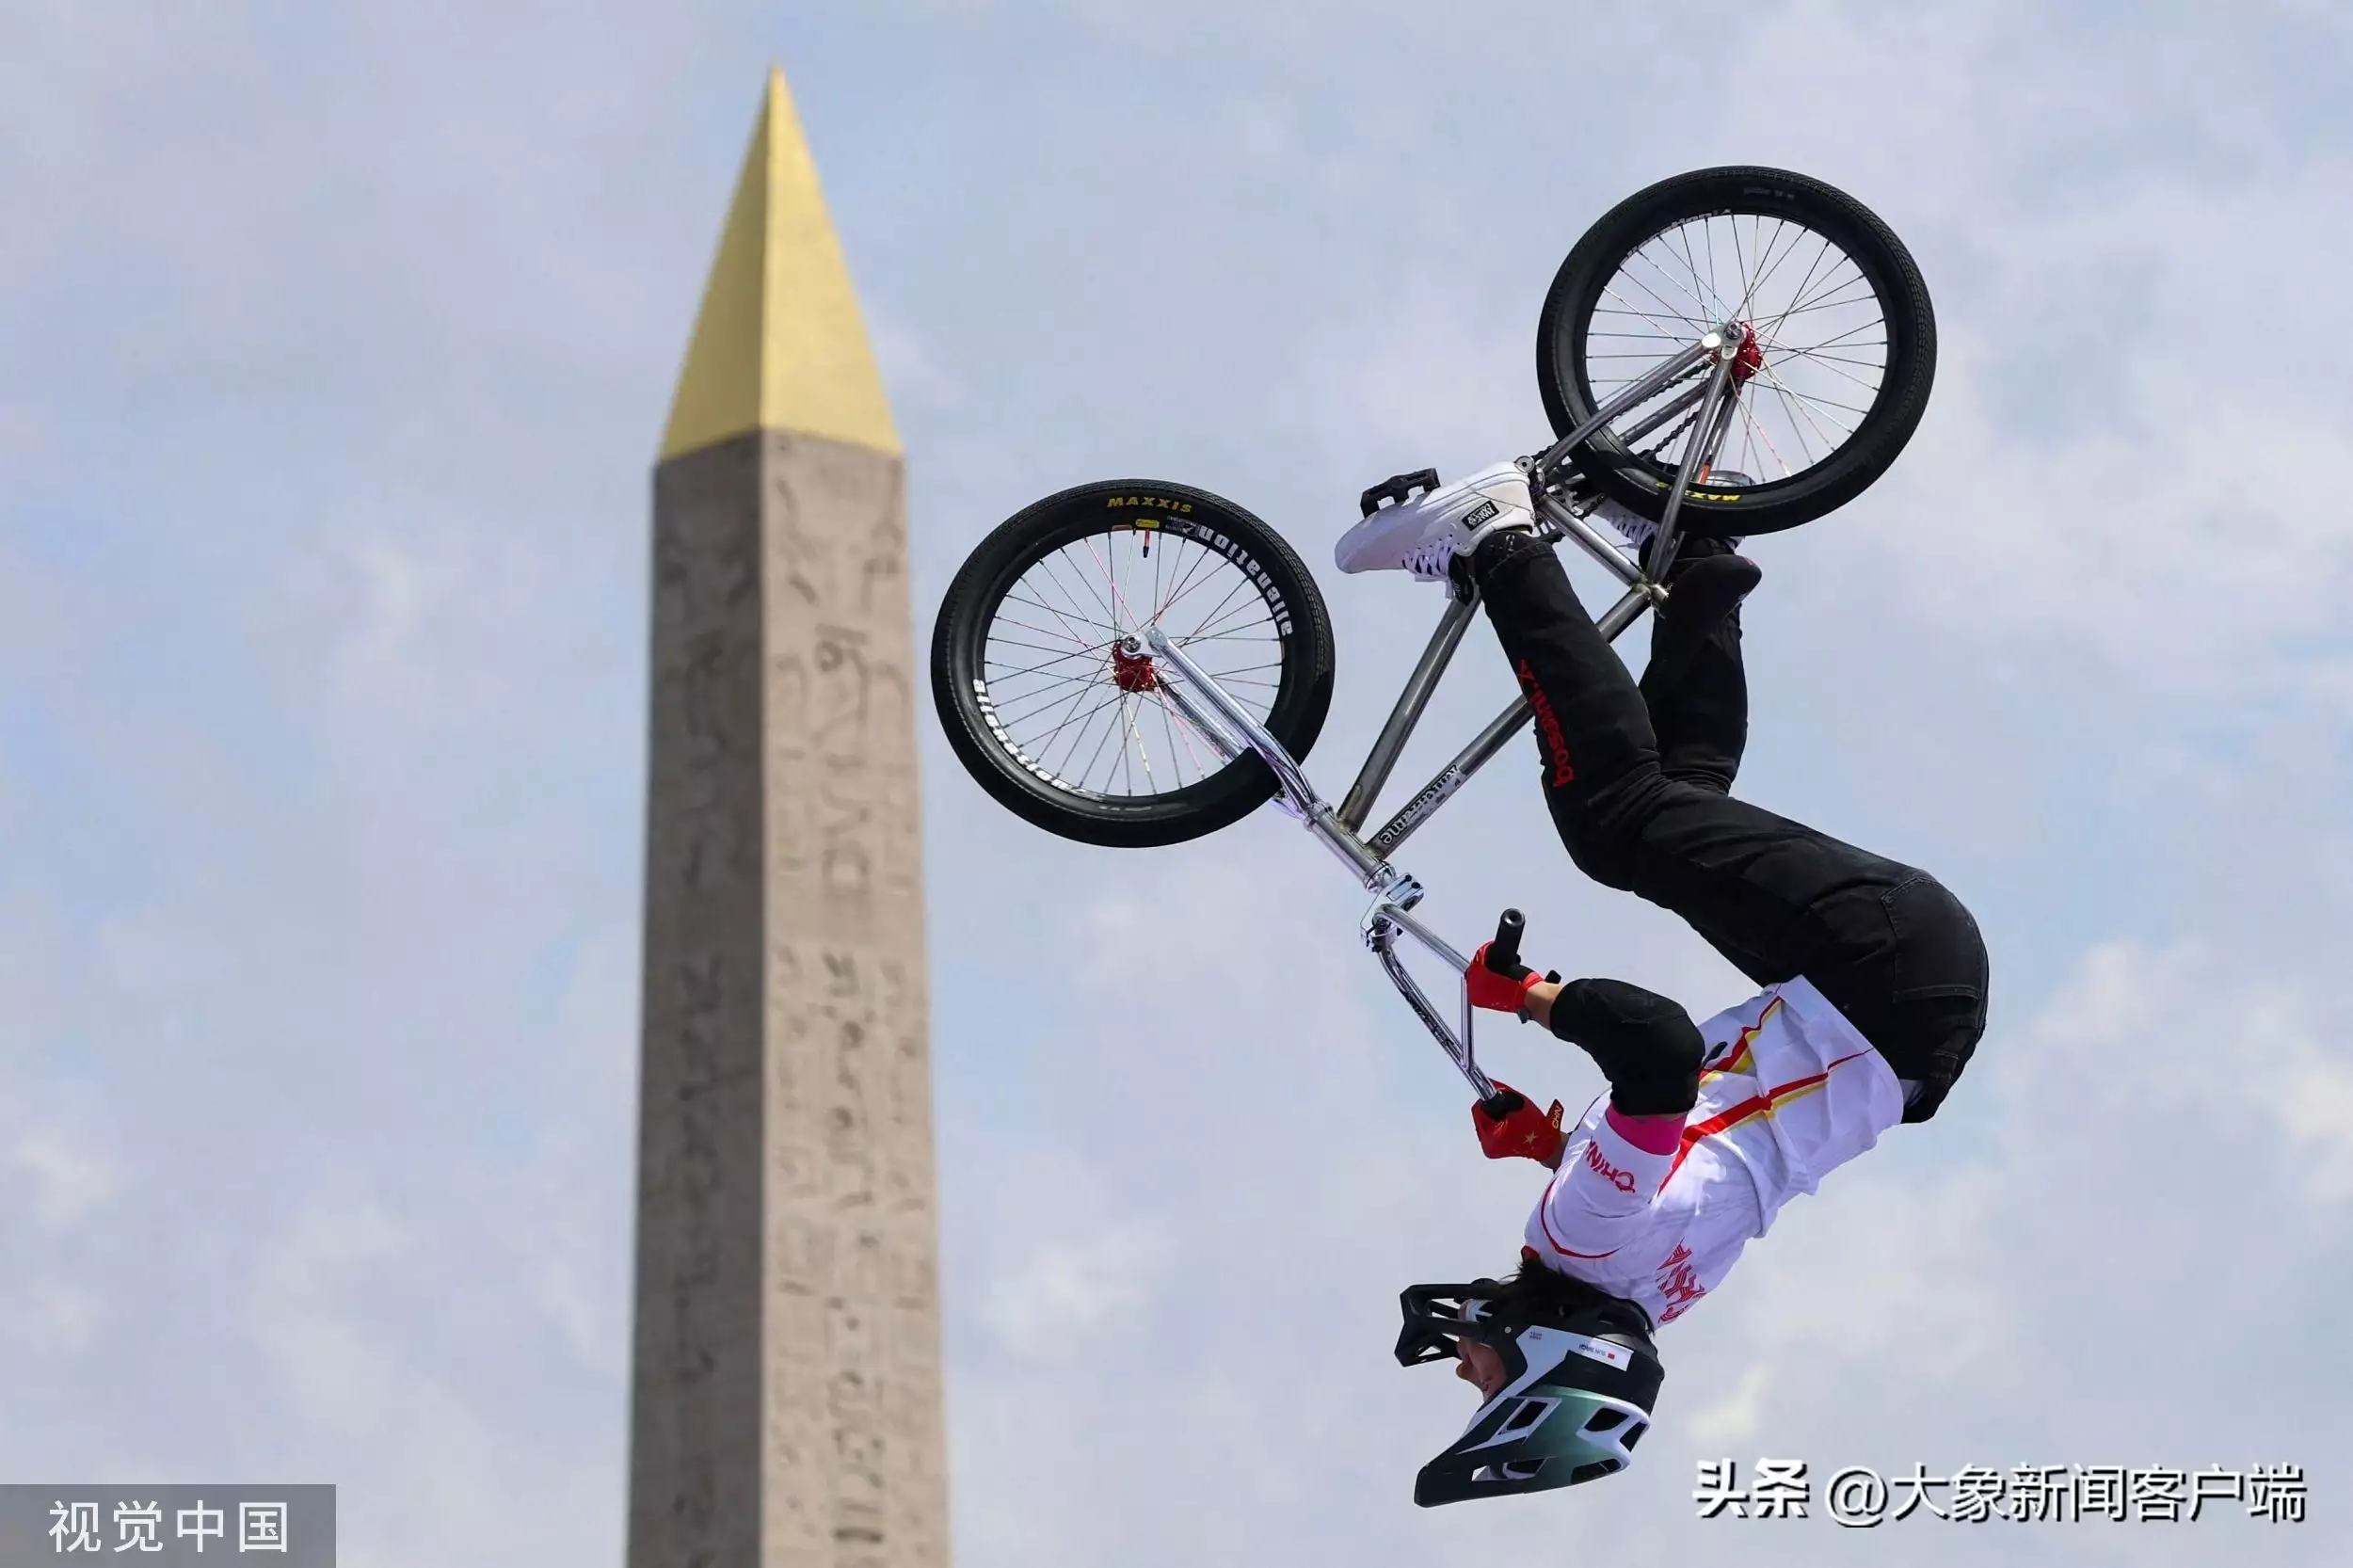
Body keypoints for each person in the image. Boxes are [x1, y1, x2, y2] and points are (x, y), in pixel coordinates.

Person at [1337, 461, 1992, 1507]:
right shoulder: (1581, 1240)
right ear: (1549, 1356)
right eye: (1487, 1384)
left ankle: (1692, 559)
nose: (1465, 1365)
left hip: (1892, 1018)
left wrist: (1561, 1146)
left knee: (1676, 800)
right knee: (1615, 820)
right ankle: (1496, 537)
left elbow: (1690, 1165)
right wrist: (1538, 996)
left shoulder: (1651, 1289)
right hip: (1878, 976)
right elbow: (1658, 1052)